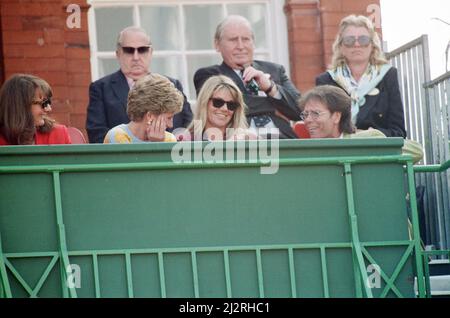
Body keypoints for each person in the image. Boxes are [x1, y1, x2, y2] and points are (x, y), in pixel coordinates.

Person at [194, 15, 302, 139]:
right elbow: (228, 107)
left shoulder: (275, 70)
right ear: (217, 44)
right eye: (233, 40)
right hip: (239, 145)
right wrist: (277, 105)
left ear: (253, 43)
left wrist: (270, 88)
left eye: (245, 39)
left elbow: (301, 111)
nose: (240, 46)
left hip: (283, 142)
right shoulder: (209, 75)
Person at [86, 26, 192, 143]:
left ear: (151, 52)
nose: (136, 57)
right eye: (129, 50)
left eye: (142, 50)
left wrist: (165, 145)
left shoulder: (172, 85)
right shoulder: (101, 88)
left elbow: (187, 128)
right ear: (118, 54)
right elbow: (96, 134)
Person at [316, 15, 406, 138]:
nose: (356, 45)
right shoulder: (326, 80)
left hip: (377, 151)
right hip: (339, 151)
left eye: (363, 40)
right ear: (341, 46)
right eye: (349, 40)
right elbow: (321, 130)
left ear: (372, 45)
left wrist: (373, 135)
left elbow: (398, 132)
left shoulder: (388, 76)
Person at [297, 85, 423, 163]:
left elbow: (417, 151)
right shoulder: (307, 152)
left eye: (315, 113)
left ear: (336, 116)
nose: (307, 120)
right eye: (305, 114)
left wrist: (361, 145)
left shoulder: (366, 139)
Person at [103, 73, 183, 143]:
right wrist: (156, 146)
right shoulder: (117, 136)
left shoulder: (169, 139)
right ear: (150, 116)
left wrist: (159, 144)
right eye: (169, 118)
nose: (171, 125)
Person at [0, 74, 71, 145]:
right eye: (42, 103)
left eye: (48, 102)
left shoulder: (59, 134)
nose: (49, 109)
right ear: (20, 106)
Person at [179, 75, 252, 141]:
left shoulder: (246, 140)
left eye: (231, 105)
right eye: (218, 102)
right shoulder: (185, 141)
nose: (225, 109)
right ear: (204, 102)